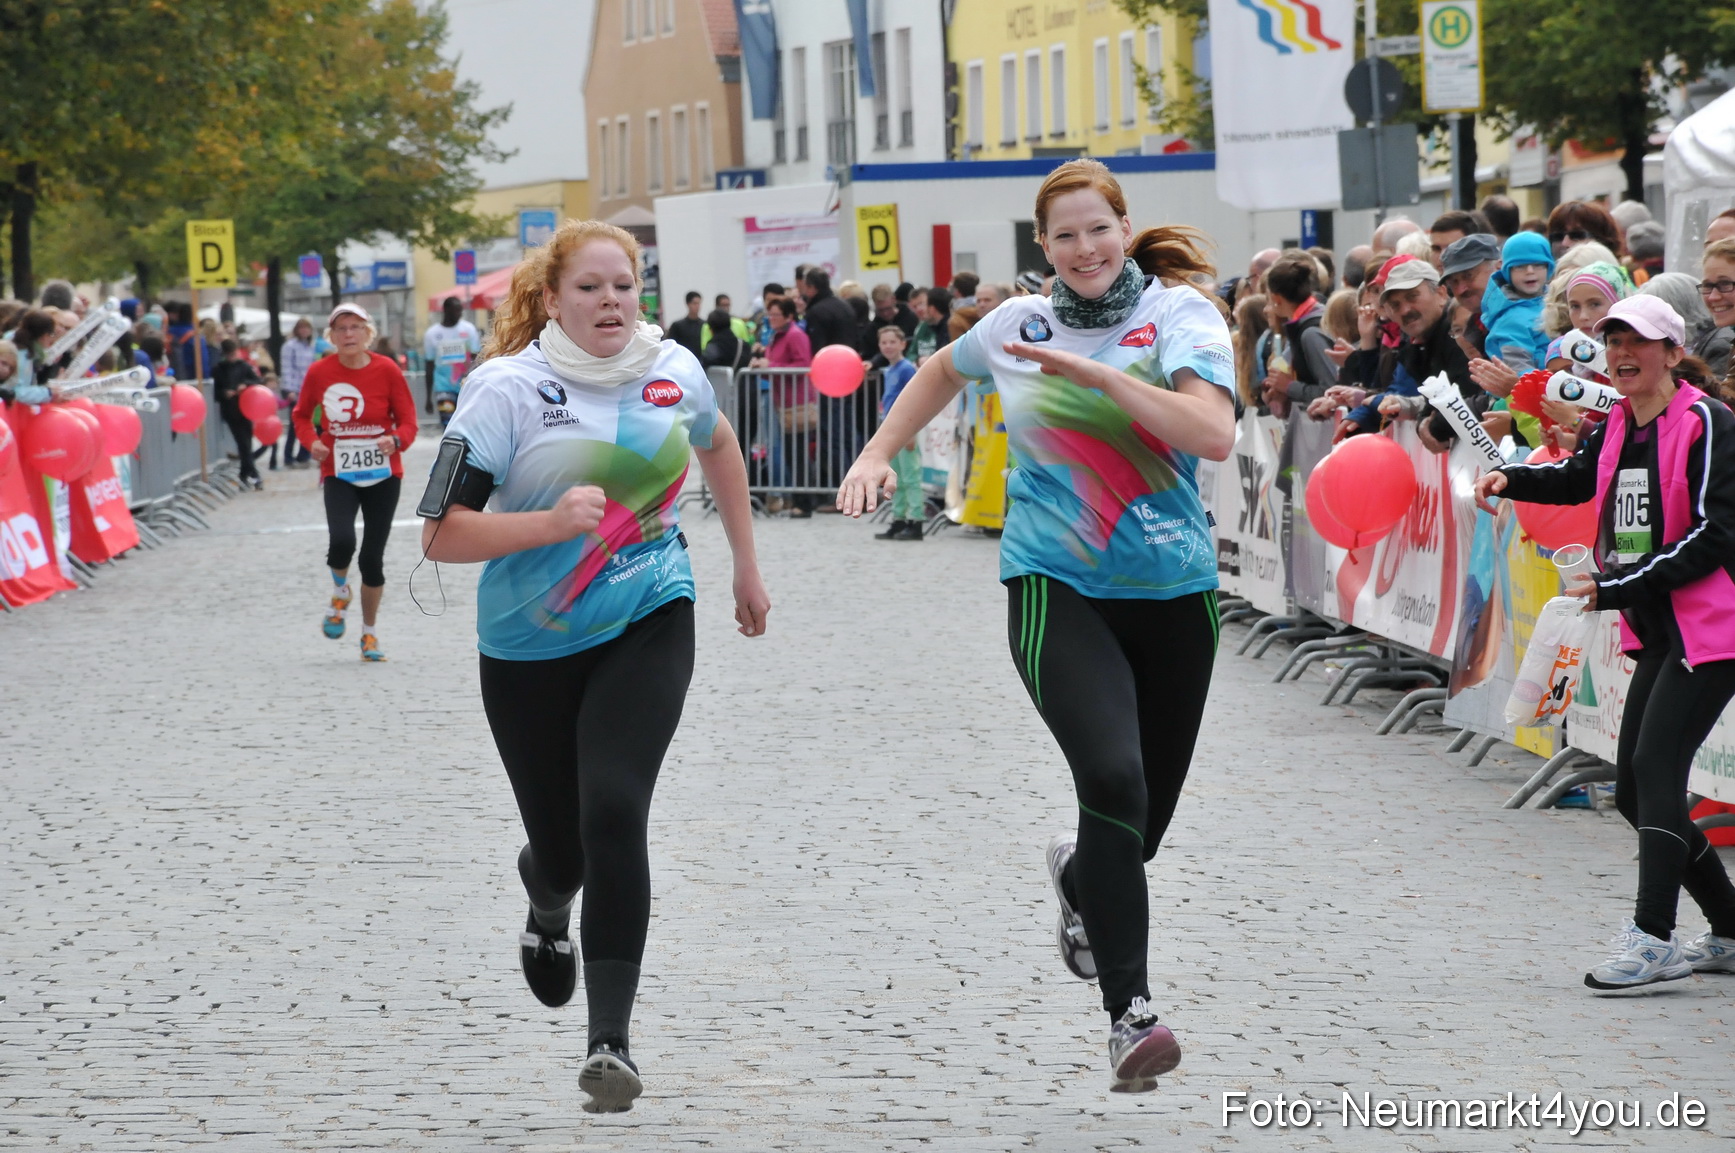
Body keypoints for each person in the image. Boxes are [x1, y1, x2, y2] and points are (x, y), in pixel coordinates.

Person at [837, 158, 1235, 1094]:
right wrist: (877, 451)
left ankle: (1078, 874)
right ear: (1042, 245)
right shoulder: (1016, 324)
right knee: (1111, 774)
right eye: (1064, 235)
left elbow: (1209, 433)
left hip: (1174, 587)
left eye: (1099, 229)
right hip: (1056, 584)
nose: (1085, 248)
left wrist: (1098, 377)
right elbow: (939, 368)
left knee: (1135, 828)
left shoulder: (1180, 315)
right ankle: (1129, 1016)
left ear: (1124, 227)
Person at [419, 219, 769, 1112]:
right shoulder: (502, 390)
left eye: (624, 285)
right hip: (529, 643)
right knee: (565, 850)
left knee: (615, 805)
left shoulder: (673, 368)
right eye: (590, 288)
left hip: (650, 609)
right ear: (550, 298)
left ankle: (609, 1041)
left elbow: (718, 444)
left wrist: (744, 564)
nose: (611, 301)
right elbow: (441, 534)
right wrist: (547, 522)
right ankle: (546, 901)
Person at [1473, 294, 1735, 992]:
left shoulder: (1707, 423)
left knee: (1654, 773)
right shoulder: (1615, 421)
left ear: (1672, 354)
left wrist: (1613, 587)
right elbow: (1579, 478)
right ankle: (1730, 925)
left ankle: (1652, 936)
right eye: (1612, 339)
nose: (1622, 353)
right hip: (1659, 624)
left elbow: (1715, 535)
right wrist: (1510, 477)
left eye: (1638, 342)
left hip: (1713, 624)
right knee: (1631, 792)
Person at [292, 304, 418, 660]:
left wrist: (396, 440)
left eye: (355, 327)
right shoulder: (319, 372)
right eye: (341, 329)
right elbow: (301, 415)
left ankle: (369, 634)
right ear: (331, 337)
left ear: (368, 334)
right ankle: (339, 591)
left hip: (383, 473)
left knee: (372, 559)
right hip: (339, 470)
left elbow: (408, 421)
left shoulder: (387, 370)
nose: (348, 334)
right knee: (342, 541)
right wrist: (311, 442)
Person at [752, 296, 817, 515]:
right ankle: (797, 499)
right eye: (769, 314)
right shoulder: (778, 335)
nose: (770, 318)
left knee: (798, 453)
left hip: (796, 402)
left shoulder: (795, 335)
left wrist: (770, 365)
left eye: (775, 314)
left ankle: (804, 502)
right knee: (791, 452)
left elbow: (802, 364)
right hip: (784, 401)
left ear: (788, 316)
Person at [872, 325, 922, 540]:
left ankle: (916, 520)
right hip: (891, 429)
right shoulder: (891, 370)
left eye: (893, 342)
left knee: (910, 477)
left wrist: (911, 431)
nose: (888, 346)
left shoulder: (906, 369)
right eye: (884, 342)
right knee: (895, 478)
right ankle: (899, 519)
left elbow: (916, 400)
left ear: (903, 344)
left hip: (904, 429)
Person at [1481, 232, 1555, 371]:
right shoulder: (1510, 319)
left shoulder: (1559, 300)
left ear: (1548, 268)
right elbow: (1518, 370)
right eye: (1520, 266)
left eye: (1538, 264)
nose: (1530, 271)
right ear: (1507, 271)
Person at [212, 339, 264, 489]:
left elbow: (256, 381)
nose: (232, 358)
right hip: (230, 410)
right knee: (243, 443)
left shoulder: (244, 366)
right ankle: (254, 476)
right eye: (229, 355)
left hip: (246, 409)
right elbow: (215, 392)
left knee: (245, 444)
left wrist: (245, 385)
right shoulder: (219, 369)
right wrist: (224, 393)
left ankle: (244, 474)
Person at [424, 296, 481, 429]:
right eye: (456, 311)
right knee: (448, 424)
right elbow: (429, 365)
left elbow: (477, 358)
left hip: (466, 386)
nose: (459, 314)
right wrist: (428, 397)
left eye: (460, 311)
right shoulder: (432, 334)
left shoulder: (468, 330)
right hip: (443, 387)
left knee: (466, 426)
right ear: (446, 310)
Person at [280, 317, 319, 466]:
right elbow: (287, 368)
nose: (304, 331)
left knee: (309, 422)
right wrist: (289, 389)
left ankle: (304, 455)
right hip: (295, 388)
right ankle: (288, 456)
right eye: (301, 328)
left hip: (308, 388)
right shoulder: (290, 346)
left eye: (307, 328)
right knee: (295, 424)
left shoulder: (311, 346)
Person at [1547, 201, 1622, 259]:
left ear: (1603, 241)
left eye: (1577, 235)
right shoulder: (1543, 276)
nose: (1565, 243)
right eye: (1558, 236)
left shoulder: (1618, 278)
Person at [668, 291, 706, 357]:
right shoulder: (677, 326)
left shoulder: (705, 325)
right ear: (688, 304)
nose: (697, 306)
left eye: (699, 303)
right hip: (684, 358)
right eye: (694, 303)